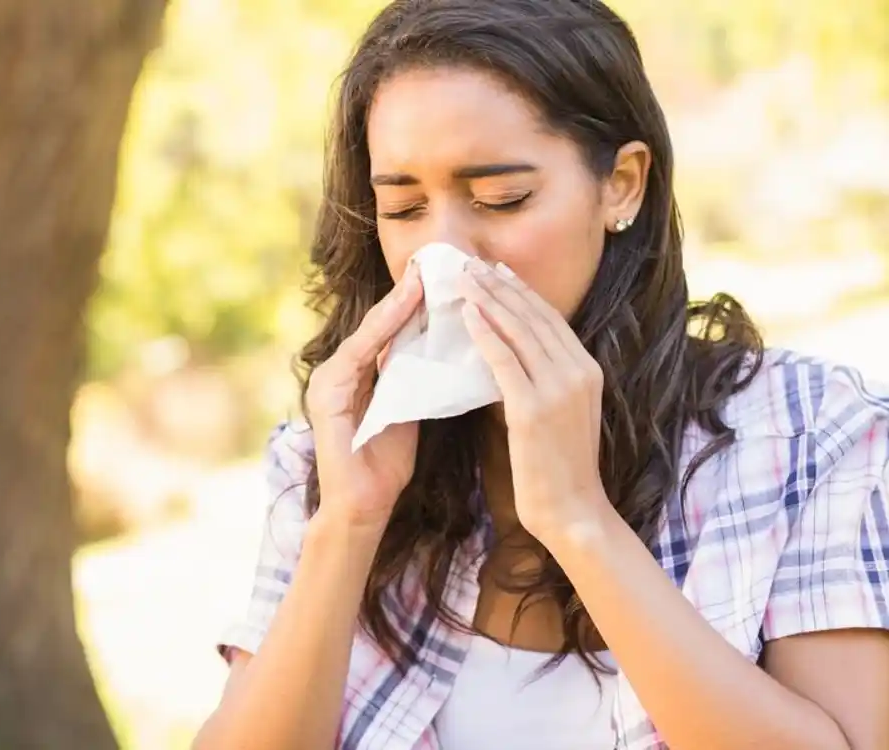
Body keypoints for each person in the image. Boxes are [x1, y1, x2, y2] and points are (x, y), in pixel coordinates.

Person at [193, 1, 889, 748]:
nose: (446, 258)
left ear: (622, 184)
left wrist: (578, 520)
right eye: (403, 208)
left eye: (502, 199)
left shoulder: (812, 436)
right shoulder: (328, 460)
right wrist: (347, 527)